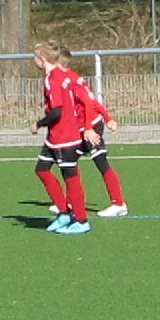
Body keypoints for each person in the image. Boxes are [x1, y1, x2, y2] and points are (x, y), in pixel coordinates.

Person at [32, 40, 90, 235]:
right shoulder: (61, 74)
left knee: (71, 177)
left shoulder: (52, 79)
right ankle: (64, 212)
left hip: (64, 136)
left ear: (42, 59)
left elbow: (57, 111)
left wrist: (39, 124)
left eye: (35, 57)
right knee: (42, 169)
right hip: (56, 136)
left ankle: (81, 220)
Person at [61, 49, 128, 218]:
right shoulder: (66, 79)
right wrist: (108, 118)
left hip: (90, 126)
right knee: (69, 161)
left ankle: (119, 203)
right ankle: (72, 201)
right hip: (81, 127)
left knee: (100, 161)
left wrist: (92, 126)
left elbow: (89, 103)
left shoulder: (71, 81)